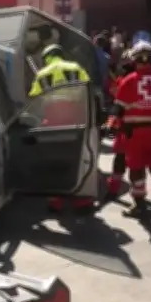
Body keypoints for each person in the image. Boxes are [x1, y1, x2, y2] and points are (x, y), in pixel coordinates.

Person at [108, 40, 151, 220]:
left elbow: (118, 109)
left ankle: (140, 206)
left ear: (134, 59)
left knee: (136, 169)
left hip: (135, 132)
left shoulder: (129, 80)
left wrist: (110, 127)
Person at [28, 44, 94, 213]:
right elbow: (88, 89)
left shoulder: (42, 74)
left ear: (46, 58)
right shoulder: (75, 67)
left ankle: (55, 201)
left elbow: (34, 99)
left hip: (54, 123)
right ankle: (82, 202)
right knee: (81, 160)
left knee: (54, 162)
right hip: (77, 120)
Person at [103, 49, 134, 202]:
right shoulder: (145, 80)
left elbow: (117, 102)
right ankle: (139, 198)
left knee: (120, 160)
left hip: (125, 127)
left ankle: (113, 191)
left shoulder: (125, 81)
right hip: (139, 127)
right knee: (137, 164)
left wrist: (111, 125)